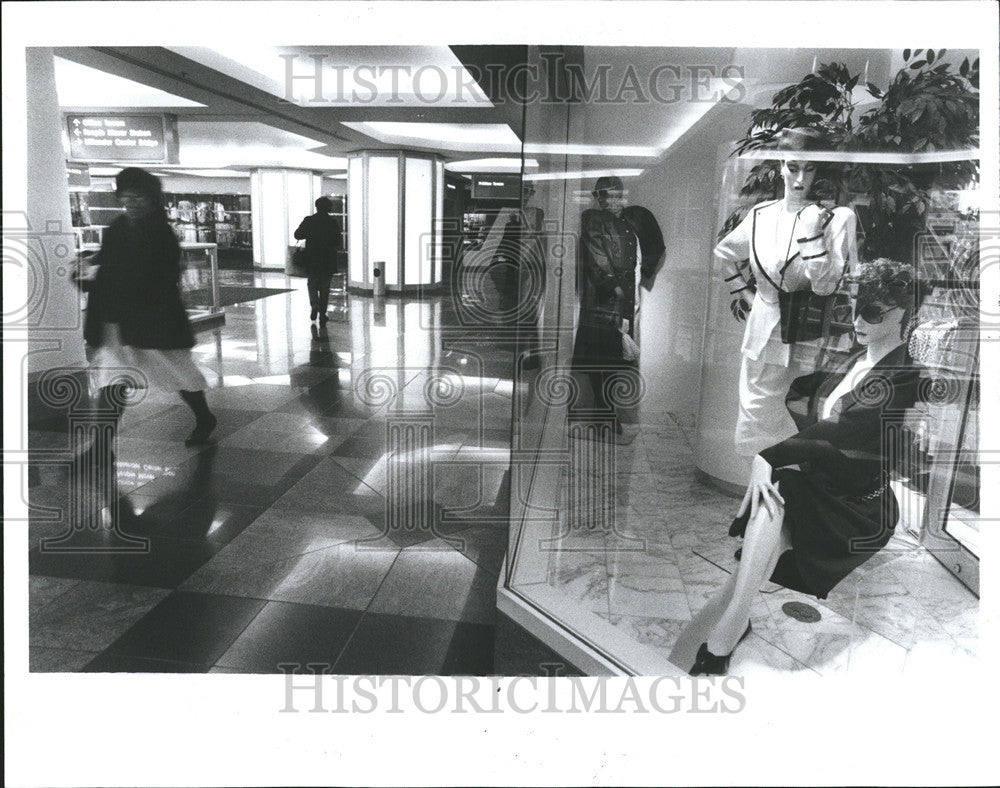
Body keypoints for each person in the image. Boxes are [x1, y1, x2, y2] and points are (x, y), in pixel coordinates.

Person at [684, 258, 922, 675]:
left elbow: (843, 429)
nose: (857, 320)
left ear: (903, 315)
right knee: (772, 509)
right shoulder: (854, 357)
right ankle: (731, 623)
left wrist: (769, 457)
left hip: (854, 508)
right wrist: (773, 461)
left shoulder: (904, 375)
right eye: (855, 307)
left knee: (778, 492)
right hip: (820, 487)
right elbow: (807, 401)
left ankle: (726, 631)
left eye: (872, 312)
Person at [715, 128, 858, 457]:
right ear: (781, 165)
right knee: (752, 409)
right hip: (761, 330)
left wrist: (811, 235)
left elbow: (824, 285)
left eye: (809, 169)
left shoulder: (833, 219)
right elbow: (724, 254)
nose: (800, 178)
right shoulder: (760, 215)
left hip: (803, 336)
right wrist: (746, 296)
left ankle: (786, 476)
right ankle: (765, 480)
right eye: (793, 167)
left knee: (784, 408)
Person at [77, 167, 217, 466]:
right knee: (112, 381)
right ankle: (101, 447)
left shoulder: (161, 233)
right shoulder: (118, 227)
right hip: (116, 321)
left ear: (153, 199)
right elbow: (105, 258)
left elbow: (160, 277)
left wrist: (105, 274)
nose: (131, 203)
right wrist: (89, 265)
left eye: (137, 197)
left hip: (154, 322)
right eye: (125, 197)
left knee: (180, 374)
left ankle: (204, 416)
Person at [572, 176, 662, 432]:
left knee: (615, 358)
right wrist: (613, 286)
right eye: (603, 195)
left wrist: (645, 273)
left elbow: (654, 244)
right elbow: (596, 256)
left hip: (625, 301)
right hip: (601, 301)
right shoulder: (592, 218)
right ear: (597, 197)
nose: (608, 201)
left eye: (613, 195)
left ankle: (607, 414)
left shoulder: (631, 219)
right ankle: (603, 413)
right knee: (596, 357)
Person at [294, 196, 343, 325]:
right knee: (325, 287)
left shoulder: (309, 220)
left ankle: (314, 304)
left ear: (316, 207)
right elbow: (338, 241)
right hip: (328, 259)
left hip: (312, 258)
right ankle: (322, 313)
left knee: (312, 284)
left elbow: (297, 235)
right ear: (329, 208)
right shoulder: (333, 222)